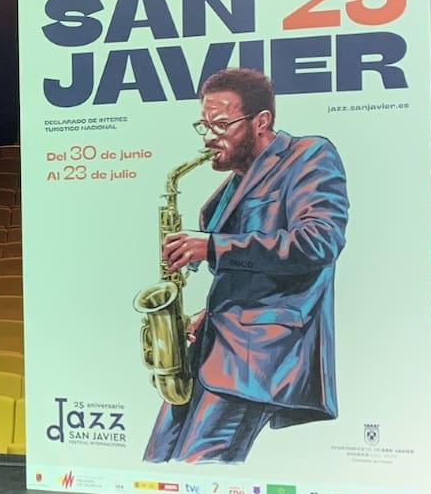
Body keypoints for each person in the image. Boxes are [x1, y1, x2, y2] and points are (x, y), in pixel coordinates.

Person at [143, 67, 349, 463]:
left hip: (259, 355)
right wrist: (209, 315)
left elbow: (319, 242)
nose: (209, 137)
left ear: (261, 122)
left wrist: (213, 247)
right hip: (215, 348)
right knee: (157, 459)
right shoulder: (228, 190)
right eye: (204, 126)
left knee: (198, 466)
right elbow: (248, 275)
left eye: (221, 125)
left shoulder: (308, 156)